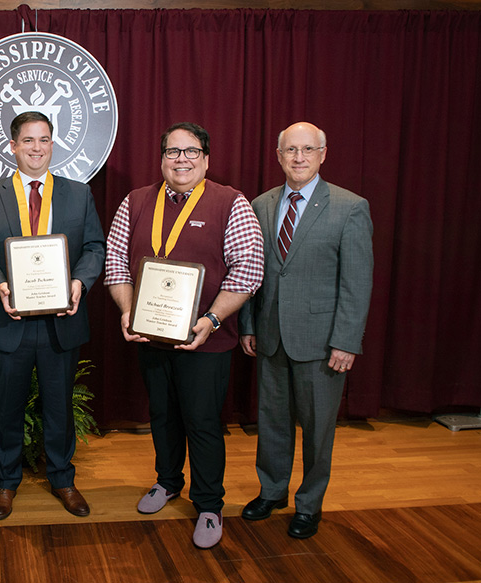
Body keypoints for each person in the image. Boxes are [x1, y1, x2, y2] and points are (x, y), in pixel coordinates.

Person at [104, 122, 263, 549]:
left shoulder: (231, 202)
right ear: (162, 159)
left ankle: (209, 503)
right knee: (162, 414)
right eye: (173, 152)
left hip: (206, 340)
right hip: (151, 336)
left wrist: (210, 319)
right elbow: (116, 261)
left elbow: (248, 271)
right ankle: (167, 482)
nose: (181, 160)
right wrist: (127, 310)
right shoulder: (136, 201)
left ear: (206, 159)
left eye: (191, 152)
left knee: (204, 422)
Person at [0, 111, 105, 520]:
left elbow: (95, 248)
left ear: (53, 144)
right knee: (7, 407)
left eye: (44, 140)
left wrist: (79, 282)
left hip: (63, 320)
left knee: (59, 407)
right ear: (13, 146)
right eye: (28, 141)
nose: (37, 148)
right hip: (9, 320)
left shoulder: (79, 194)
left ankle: (62, 478)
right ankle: (6, 483)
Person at [238, 122, 373, 539]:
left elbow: (357, 281)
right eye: (290, 150)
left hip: (322, 343)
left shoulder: (350, 207)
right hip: (270, 335)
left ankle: (309, 503)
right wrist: (248, 324)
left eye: (307, 150)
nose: (299, 157)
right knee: (272, 421)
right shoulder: (261, 205)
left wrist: (346, 341)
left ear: (323, 154)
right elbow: (251, 272)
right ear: (278, 156)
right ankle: (273, 490)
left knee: (318, 429)